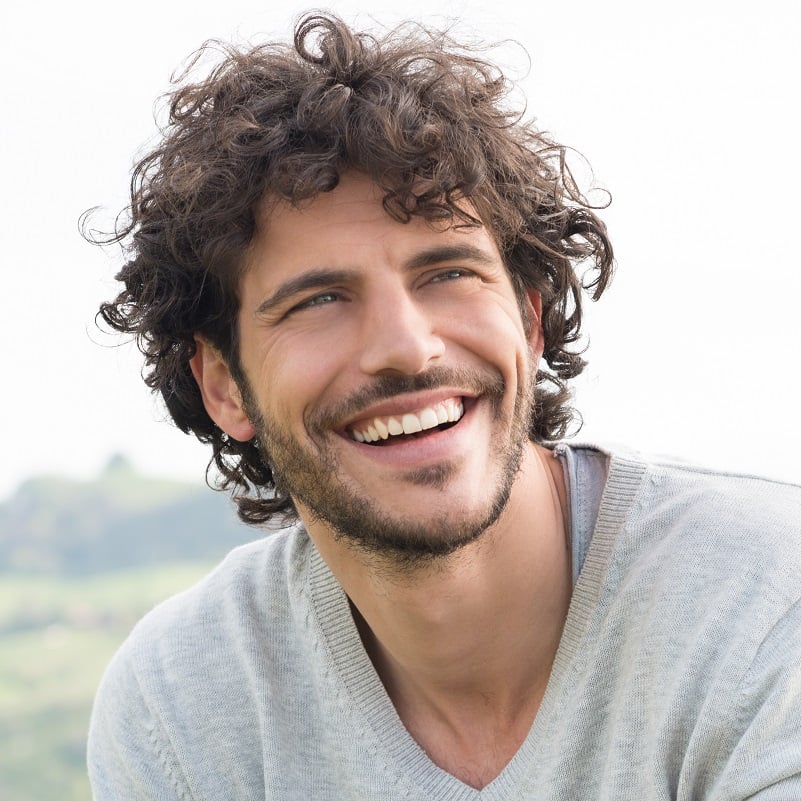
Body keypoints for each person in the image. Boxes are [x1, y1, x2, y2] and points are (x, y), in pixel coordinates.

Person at [86, 12, 801, 800]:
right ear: (223, 385)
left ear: (528, 319)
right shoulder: (181, 705)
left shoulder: (768, 600)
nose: (408, 347)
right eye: (319, 298)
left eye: (448, 272)